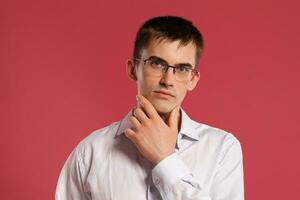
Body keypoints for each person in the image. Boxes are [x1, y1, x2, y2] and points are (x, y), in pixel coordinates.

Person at [55, 16, 244, 200]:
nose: (168, 80)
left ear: (193, 79)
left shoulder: (222, 148)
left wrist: (166, 159)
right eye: (157, 64)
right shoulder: (90, 152)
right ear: (132, 69)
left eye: (182, 69)